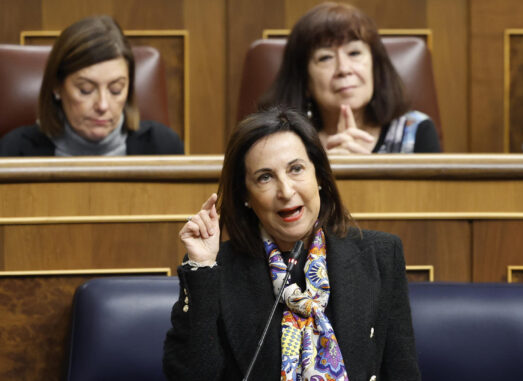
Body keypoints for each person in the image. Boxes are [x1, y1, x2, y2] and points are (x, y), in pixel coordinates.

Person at [163, 107, 420, 381]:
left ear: (318, 175)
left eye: (296, 169)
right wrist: (202, 268)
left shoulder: (380, 254)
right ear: (246, 195)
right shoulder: (219, 270)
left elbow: (402, 371)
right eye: (265, 177)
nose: (285, 191)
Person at [259, 2, 441, 154]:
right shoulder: (281, 142)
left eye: (354, 52)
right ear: (304, 81)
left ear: (375, 68)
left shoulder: (415, 131)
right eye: (325, 57)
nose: (344, 69)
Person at [0, 15, 184, 156]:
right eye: (85, 90)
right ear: (56, 86)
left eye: (116, 90)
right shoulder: (15, 152)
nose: (102, 105)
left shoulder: (162, 147)